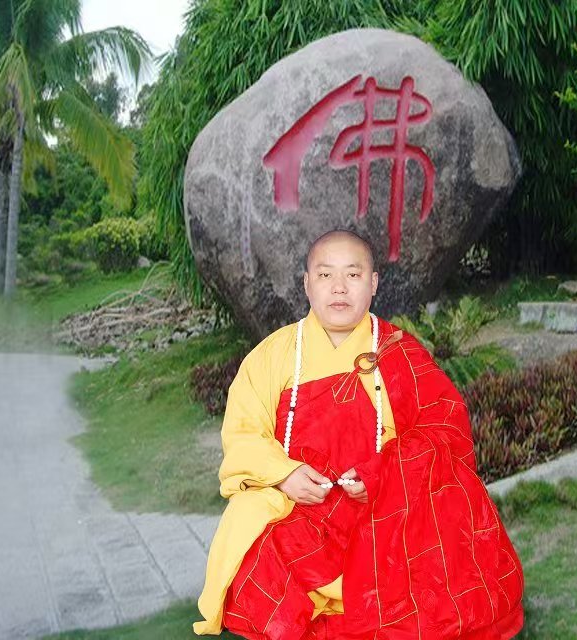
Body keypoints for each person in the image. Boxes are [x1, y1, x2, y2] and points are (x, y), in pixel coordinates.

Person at [194, 230, 524, 639]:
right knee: (248, 524)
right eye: (325, 275)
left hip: (383, 501)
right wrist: (284, 475)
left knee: (449, 505)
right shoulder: (273, 355)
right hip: (303, 502)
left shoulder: (397, 351)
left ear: (373, 283)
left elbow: (443, 426)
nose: (339, 287)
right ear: (307, 284)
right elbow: (244, 434)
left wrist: (382, 475)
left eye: (353, 275)